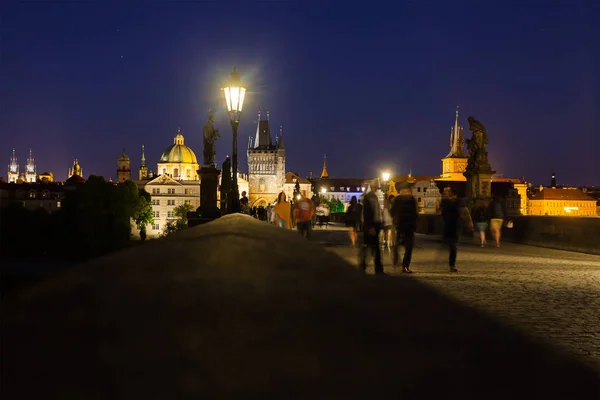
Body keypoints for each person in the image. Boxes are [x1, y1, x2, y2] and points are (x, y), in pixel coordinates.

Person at [439, 186, 474, 272]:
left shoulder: (458, 202)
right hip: (449, 225)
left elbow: (465, 212)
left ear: (451, 193)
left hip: (455, 225)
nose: (445, 193)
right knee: (450, 245)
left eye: (447, 191)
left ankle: (452, 264)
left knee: (453, 245)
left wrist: (469, 223)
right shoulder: (445, 202)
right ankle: (451, 263)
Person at [390, 184, 418, 273]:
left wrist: (395, 220)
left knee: (397, 245)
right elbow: (415, 213)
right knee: (408, 247)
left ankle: (396, 263)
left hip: (400, 225)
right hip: (409, 226)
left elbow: (392, 212)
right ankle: (405, 266)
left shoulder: (397, 199)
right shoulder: (412, 199)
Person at [359, 186, 384, 275]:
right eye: (376, 188)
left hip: (374, 225)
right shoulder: (369, 198)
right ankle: (375, 268)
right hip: (371, 225)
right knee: (372, 247)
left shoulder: (373, 197)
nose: (377, 189)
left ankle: (365, 266)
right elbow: (368, 213)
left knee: (371, 247)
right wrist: (370, 226)